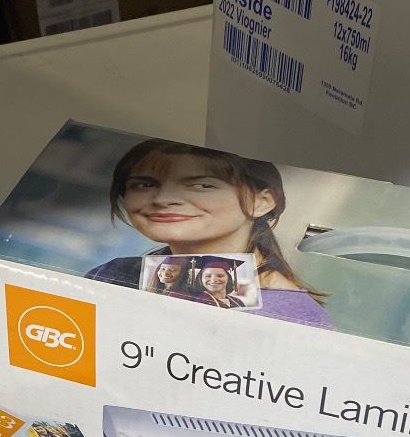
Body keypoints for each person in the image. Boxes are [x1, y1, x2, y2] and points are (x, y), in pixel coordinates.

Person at [86, 138, 332, 328]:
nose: (163, 199)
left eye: (202, 185)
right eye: (144, 184)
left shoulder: (290, 315)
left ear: (262, 201)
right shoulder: (113, 273)